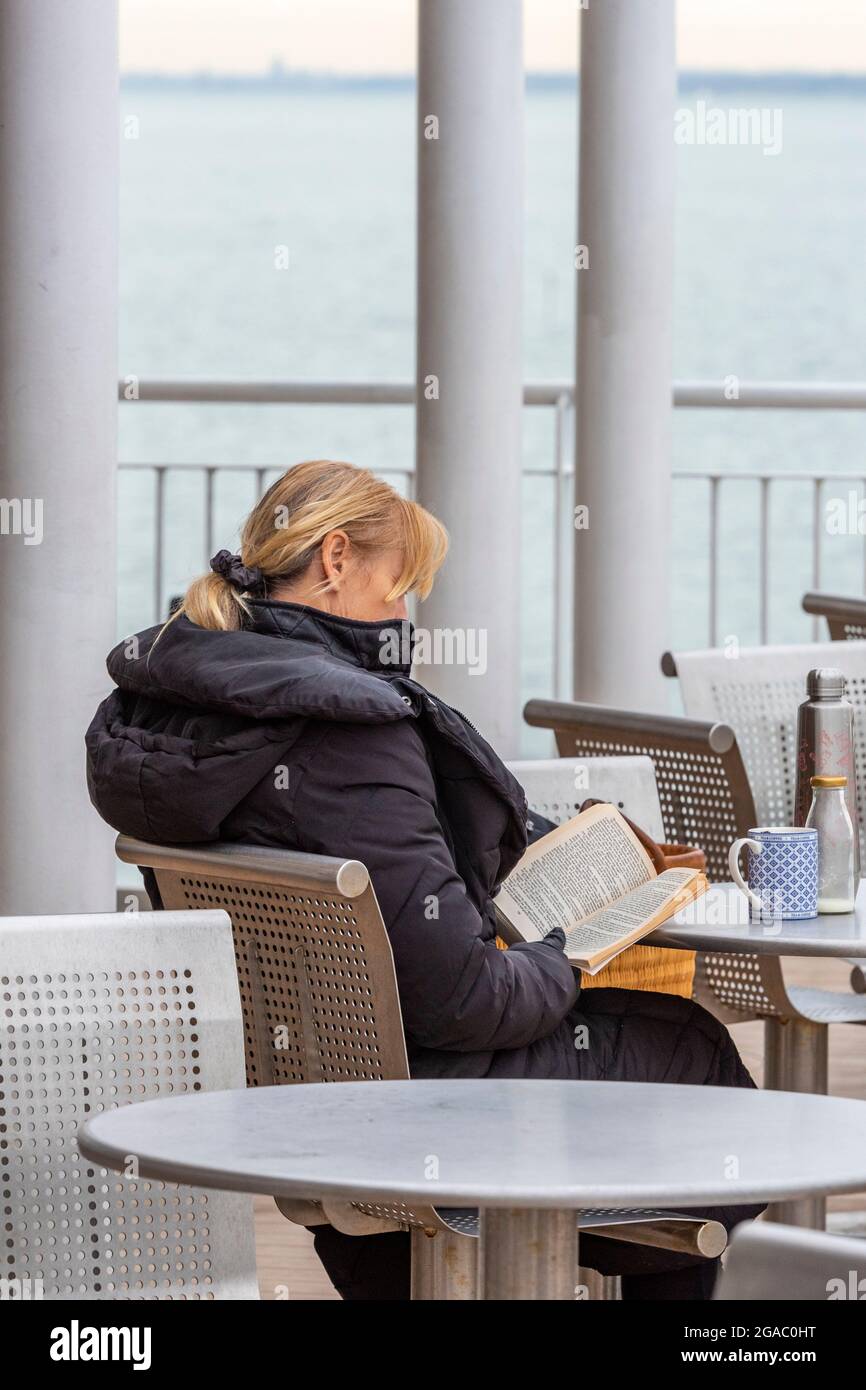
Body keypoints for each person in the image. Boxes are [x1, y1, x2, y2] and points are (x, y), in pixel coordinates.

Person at [86, 458, 763, 1300]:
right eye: (397, 586)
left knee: (656, 1050)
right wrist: (564, 955)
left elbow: (390, 871)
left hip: (297, 1090)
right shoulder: (346, 727)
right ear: (335, 560)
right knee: (691, 1054)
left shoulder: (177, 705)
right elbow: (464, 999)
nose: (403, 613)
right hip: (414, 1106)